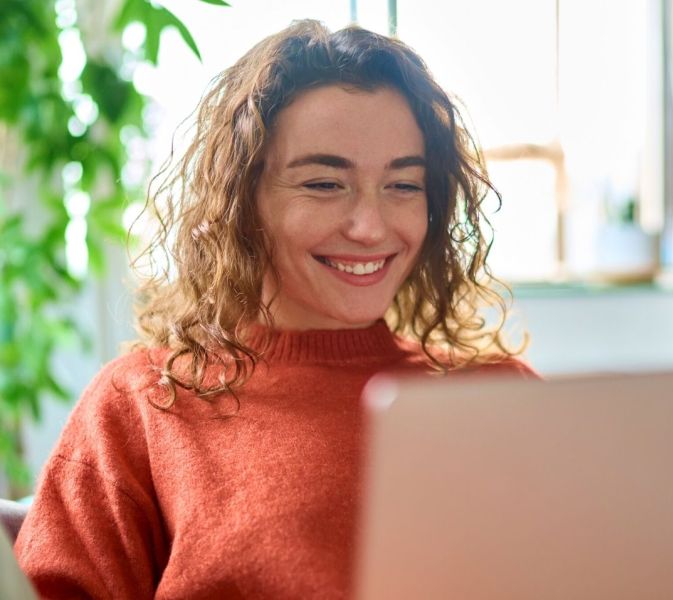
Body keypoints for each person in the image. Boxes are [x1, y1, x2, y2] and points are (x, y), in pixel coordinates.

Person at [15, 19, 533, 599]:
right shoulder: (141, 405)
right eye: (322, 184)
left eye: (404, 186)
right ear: (243, 202)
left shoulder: (507, 396)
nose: (370, 227)